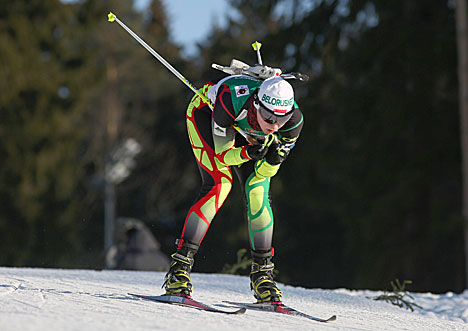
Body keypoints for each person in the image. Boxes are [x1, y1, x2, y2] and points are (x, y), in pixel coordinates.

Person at [162, 74, 304, 303]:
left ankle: (263, 277)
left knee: (258, 191)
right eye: (268, 117)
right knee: (220, 184)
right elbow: (223, 154)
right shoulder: (231, 100)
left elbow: (266, 173)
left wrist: (272, 161)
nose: (275, 126)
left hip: (246, 133)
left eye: (282, 119)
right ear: (257, 103)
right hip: (209, 115)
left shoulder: (294, 122)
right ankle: (178, 272)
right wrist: (248, 152)